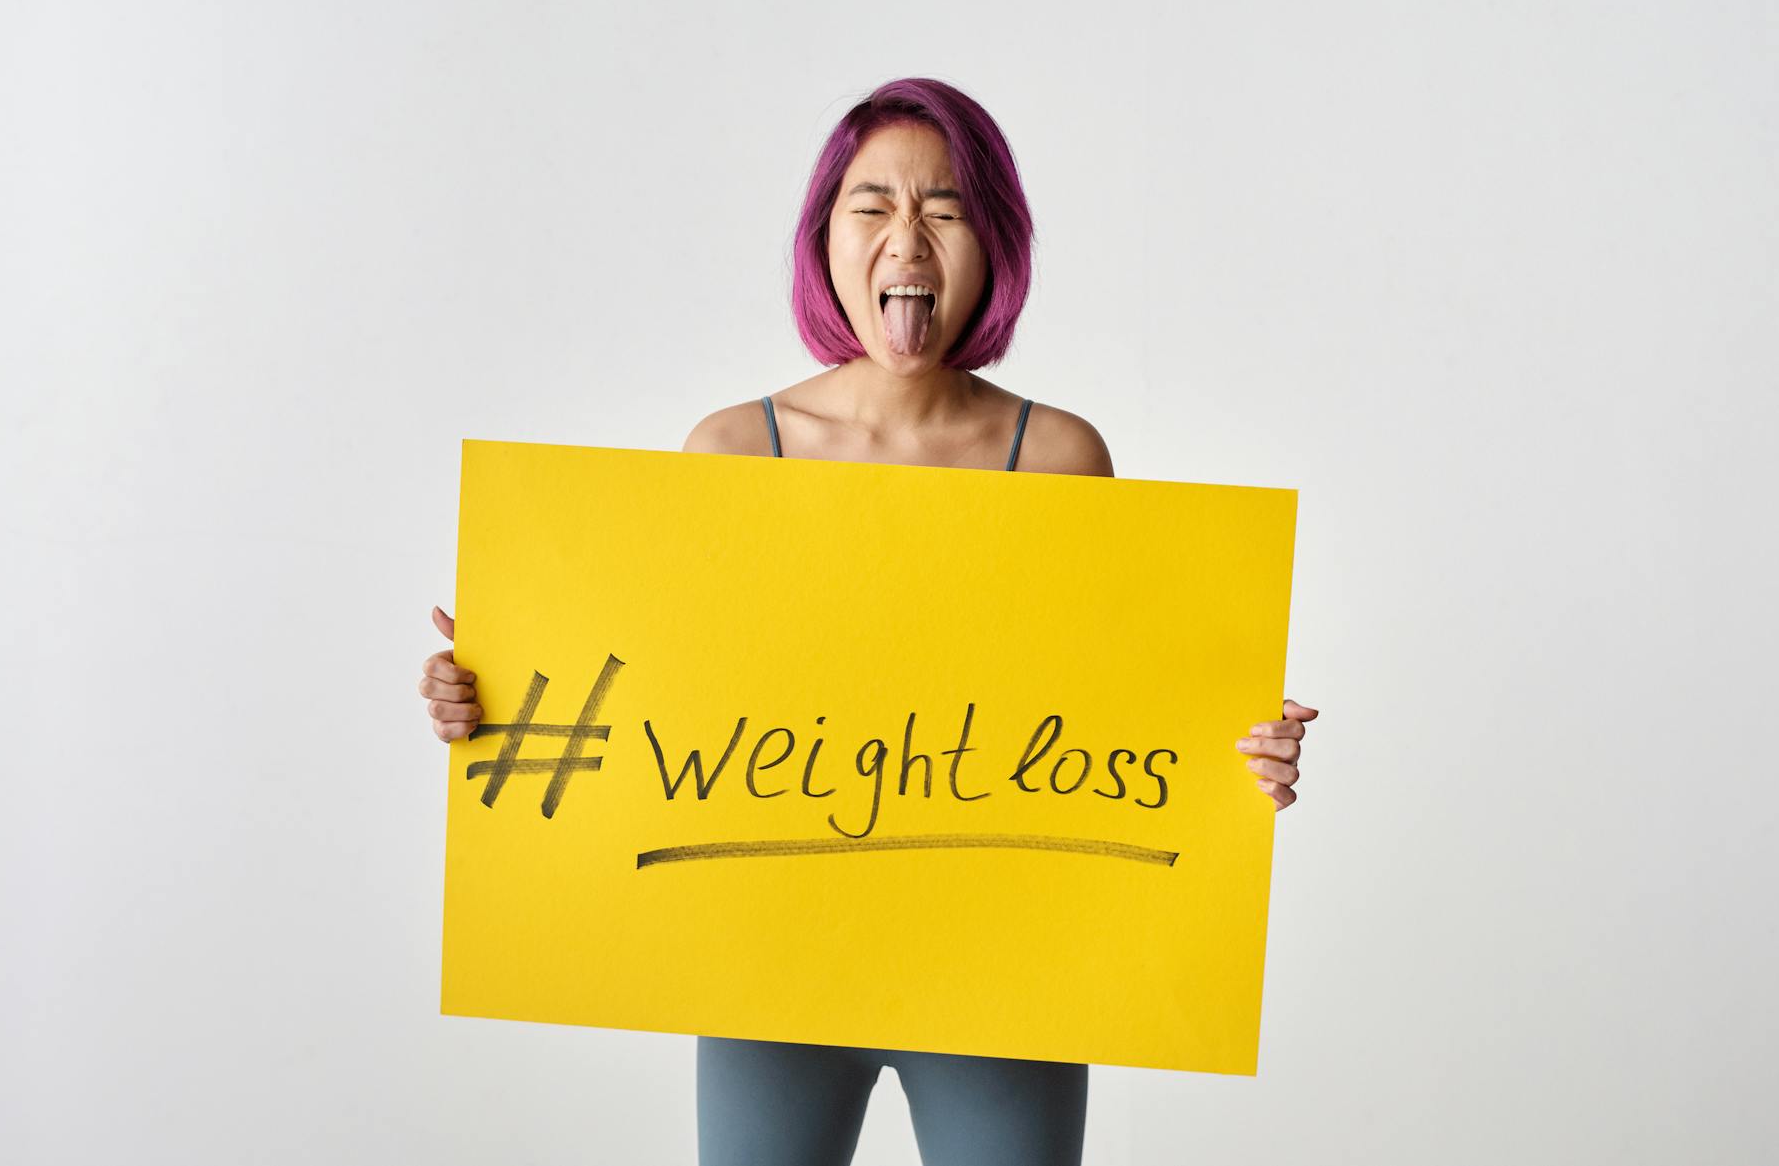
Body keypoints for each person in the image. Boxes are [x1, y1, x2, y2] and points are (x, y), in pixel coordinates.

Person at [417, 77, 1319, 1166]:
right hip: (772, 974)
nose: (908, 239)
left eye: (945, 209)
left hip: (1004, 980)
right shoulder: (735, 452)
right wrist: (495, 691)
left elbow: (1115, 721)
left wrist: (1240, 754)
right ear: (825, 238)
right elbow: (657, 704)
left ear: (994, 245)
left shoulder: (1063, 458)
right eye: (873, 206)